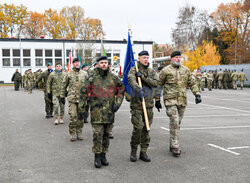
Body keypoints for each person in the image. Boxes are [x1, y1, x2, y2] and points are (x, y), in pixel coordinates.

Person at [78, 56, 124, 168]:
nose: (104, 64)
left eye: (105, 62)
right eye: (101, 62)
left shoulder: (113, 77)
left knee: (106, 135)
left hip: (109, 112)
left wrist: (117, 103)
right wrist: (81, 108)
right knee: (97, 135)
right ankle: (97, 156)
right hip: (96, 112)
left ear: (108, 64)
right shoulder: (92, 78)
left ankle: (104, 155)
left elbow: (121, 90)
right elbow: (83, 93)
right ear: (98, 64)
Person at [158, 51, 201, 157]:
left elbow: (192, 82)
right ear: (171, 59)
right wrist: (157, 99)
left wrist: (197, 94)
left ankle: (172, 143)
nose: (178, 59)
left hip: (182, 101)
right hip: (170, 101)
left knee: (178, 123)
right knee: (175, 121)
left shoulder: (185, 70)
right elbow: (158, 85)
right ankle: (175, 146)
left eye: (179, 57)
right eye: (176, 57)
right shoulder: (165, 70)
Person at [128, 51, 160, 163]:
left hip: (149, 105)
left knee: (146, 129)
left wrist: (143, 77)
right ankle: (133, 150)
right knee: (138, 128)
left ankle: (143, 151)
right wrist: (138, 89)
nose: (146, 59)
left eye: (147, 57)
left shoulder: (151, 71)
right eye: (143, 57)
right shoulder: (134, 70)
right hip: (137, 104)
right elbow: (131, 81)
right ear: (139, 59)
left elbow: (156, 83)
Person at [60, 58, 88, 141]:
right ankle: (72, 133)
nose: (77, 64)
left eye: (78, 62)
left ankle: (79, 132)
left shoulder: (85, 74)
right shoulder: (68, 74)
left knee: (81, 117)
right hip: (72, 98)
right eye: (75, 62)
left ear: (80, 63)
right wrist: (62, 96)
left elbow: (88, 85)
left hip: (82, 99)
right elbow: (64, 85)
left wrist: (89, 95)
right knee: (73, 116)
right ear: (73, 64)